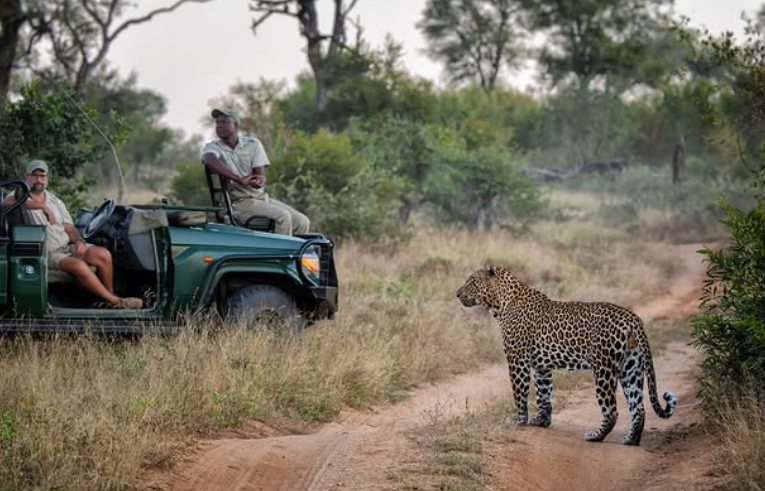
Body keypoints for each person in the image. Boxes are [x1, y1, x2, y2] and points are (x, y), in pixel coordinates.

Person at [3, 160, 143, 309]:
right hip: (46, 253)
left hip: (65, 247)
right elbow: (7, 204)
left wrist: (79, 242)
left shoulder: (55, 201)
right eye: (35, 175)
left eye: (42, 176)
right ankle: (117, 301)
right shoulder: (19, 195)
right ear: (27, 177)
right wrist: (42, 207)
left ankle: (109, 301)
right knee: (79, 266)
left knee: (103, 254)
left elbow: (70, 228)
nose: (39, 180)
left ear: (47, 178)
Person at [201, 108, 310, 236]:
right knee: (283, 217)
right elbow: (208, 159)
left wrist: (258, 181)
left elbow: (260, 177)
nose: (219, 125)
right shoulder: (213, 147)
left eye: (224, 122)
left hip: (260, 199)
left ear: (236, 125)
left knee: (302, 222)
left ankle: (297, 255)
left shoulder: (253, 144)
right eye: (217, 122)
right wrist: (239, 179)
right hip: (238, 204)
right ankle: (279, 256)